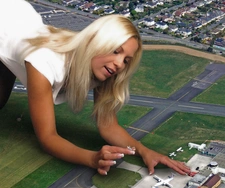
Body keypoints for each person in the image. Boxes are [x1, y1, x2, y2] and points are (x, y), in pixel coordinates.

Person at [0, 0, 191, 176]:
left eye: (126, 60)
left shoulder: (102, 69)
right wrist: (92, 158)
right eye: (115, 51)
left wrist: (145, 151)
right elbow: (48, 138)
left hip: (16, 19)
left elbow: (109, 126)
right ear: (96, 43)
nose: (119, 64)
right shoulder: (43, 63)